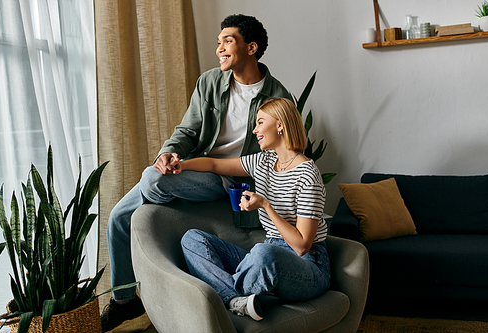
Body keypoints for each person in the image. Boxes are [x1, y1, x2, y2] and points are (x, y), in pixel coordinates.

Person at [101, 14, 293, 332]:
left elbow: (282, 157)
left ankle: (162, 190)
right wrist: (169, 154)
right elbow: (187, 131)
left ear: (251, 47)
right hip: (199, 168)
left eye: (227, 41)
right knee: (119, 218)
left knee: (153, 179)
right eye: (218, 42)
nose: (219, 48)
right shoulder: (209, 82)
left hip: (235, 182)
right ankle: (124, 300)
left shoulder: (278, 98)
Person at [176, 97, 330, 321]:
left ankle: (227, 291)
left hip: (308, 267)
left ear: (280, 125)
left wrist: (265, 205)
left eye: (259, 122)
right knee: (192, 239)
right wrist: (180, 164)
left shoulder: (308, 175)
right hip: (267, 258)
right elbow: (214, 164)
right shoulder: (263, 161)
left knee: (262, 252)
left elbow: (302, 245)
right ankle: (237, 300)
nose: (254, 130)